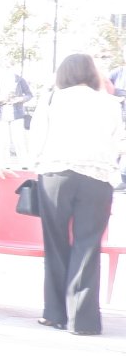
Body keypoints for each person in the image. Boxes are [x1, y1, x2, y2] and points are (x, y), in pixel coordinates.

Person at [27, 54, 125, 336]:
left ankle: (54, 313)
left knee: (55, 244)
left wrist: (37, 164)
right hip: (97, 176)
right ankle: (83, 321)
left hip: (55, 173)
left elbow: (37, 140)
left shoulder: (51, 99)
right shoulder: (109, 102)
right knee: (88, 246)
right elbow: (117, 142)